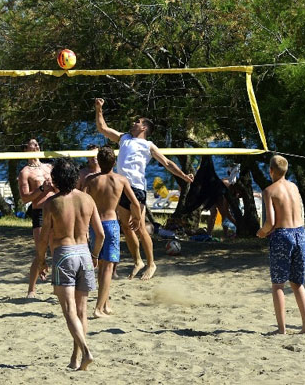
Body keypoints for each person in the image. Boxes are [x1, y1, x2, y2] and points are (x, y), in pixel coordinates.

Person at [94, 98, 194, 279]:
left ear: (144, 128)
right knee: (126, 227)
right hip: (121, 187)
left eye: (137, 121)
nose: (133, 123)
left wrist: (184, 176)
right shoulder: (124, 138)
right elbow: (102, 128)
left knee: (139, 227)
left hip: (136, 188)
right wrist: (99, 109)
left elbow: (167, 163)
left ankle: (151, 264)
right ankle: (138, 261)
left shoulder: (148, 145)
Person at [31, 158, 104, 370]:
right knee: (82, 311)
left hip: (64, 254)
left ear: (55, 179)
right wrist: (95, 255)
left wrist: (41, 260)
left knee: (69, 310)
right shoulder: (87, 199)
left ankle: (86, 351)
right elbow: (100, 234)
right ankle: (75, 358)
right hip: (84, 253)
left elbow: (43, 237)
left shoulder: (51, 203)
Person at [82, 146, 142, 317]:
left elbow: (82, 201)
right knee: (108, 268)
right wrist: (137, 218)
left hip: (95, 225)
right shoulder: (120, 180)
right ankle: (98, 308)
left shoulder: (90, 180)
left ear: (98, 162)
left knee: (101, 265)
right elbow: (135, 203)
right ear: (114, 162)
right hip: (110, 223)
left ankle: (105, 304)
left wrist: (83, 226)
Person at [257, 155, 305, 334]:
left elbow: (270, 222)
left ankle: (281, 329)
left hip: (283, 235)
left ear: (270, 171)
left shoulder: (269, 191)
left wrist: (262, 232)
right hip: (300, 233)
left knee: (278, 284)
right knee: (297, 283)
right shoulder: (294, 187)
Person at [18, 138, 54, 297]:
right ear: (25, 149)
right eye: (32, 144)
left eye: (37, 143)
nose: (37, 146)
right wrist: (42, 189)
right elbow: (25, 198)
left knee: (58, 250)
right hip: (40, 212)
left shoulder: (49, 167)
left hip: (55, 210)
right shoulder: (25, 172)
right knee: (40, 253)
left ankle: (58, 286)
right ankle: (31, 290)